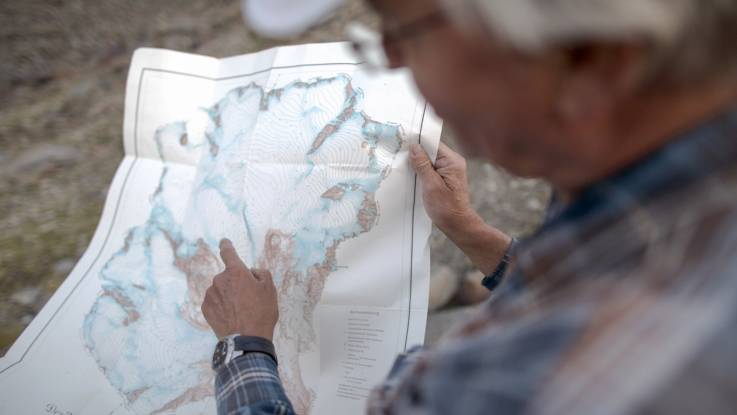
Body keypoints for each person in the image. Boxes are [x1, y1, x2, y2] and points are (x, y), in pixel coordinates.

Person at [201, 0, 737, 413]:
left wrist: (243, 347)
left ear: (589, 60)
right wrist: (476, 236)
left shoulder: (527, 385)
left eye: (403, 33)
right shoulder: (675, 173)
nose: (390, 61)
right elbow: (595, 261)